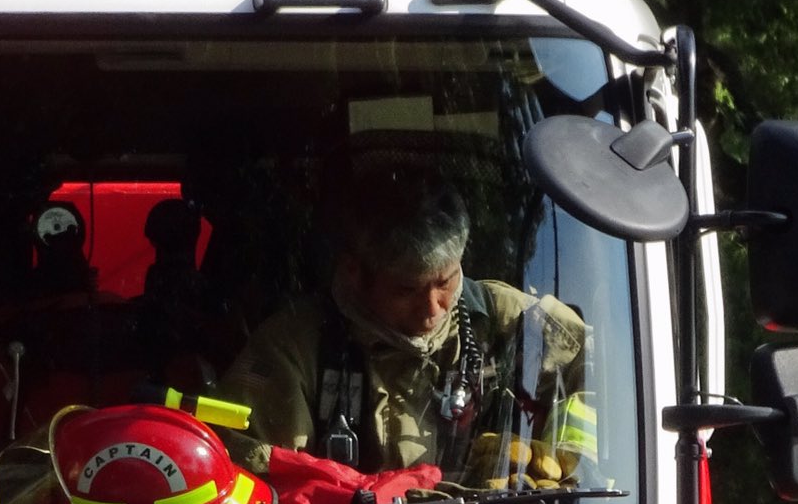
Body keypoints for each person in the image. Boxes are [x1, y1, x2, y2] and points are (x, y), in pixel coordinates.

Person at [218, 171, 588, 481]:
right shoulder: (291, 351)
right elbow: (250, 476)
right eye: (406, 289)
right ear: (354, 273)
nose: (432, 308)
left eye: (445, 282)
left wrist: (563, 453)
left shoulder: (506, 319)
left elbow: (599, 369)